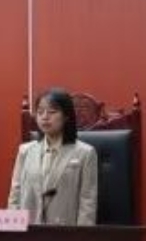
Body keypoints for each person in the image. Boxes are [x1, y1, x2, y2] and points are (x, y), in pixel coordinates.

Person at [7, 88, 98, 225]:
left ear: (66, 116)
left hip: (65, 232)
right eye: (40, 112)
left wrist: (81, 236)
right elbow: (15, 195)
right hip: (30, 231)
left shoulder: (85, 153)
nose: (45, 117)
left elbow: (88, 202)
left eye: (52, 112)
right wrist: (12, 231)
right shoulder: (25, 151)